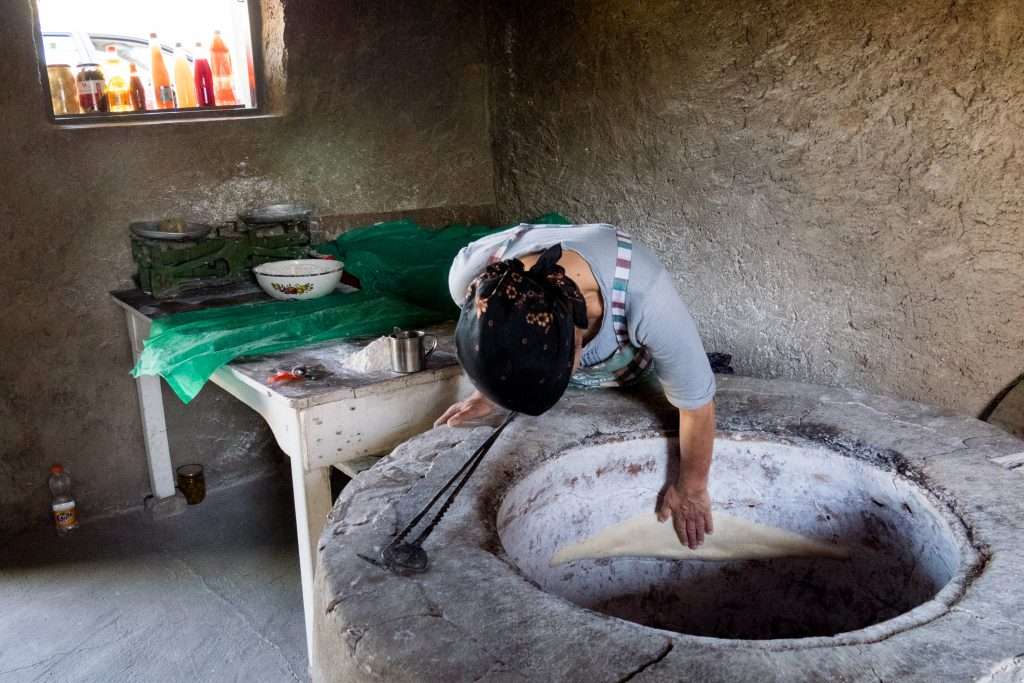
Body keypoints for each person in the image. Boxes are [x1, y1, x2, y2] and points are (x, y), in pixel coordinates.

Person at [434, 223, 716, 549]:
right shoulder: (470, 275)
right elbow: (499, 332)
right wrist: (492, 390)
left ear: (577, 346)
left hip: (629, 366)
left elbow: (696, 405)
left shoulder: (645, 294)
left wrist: (692, 489)